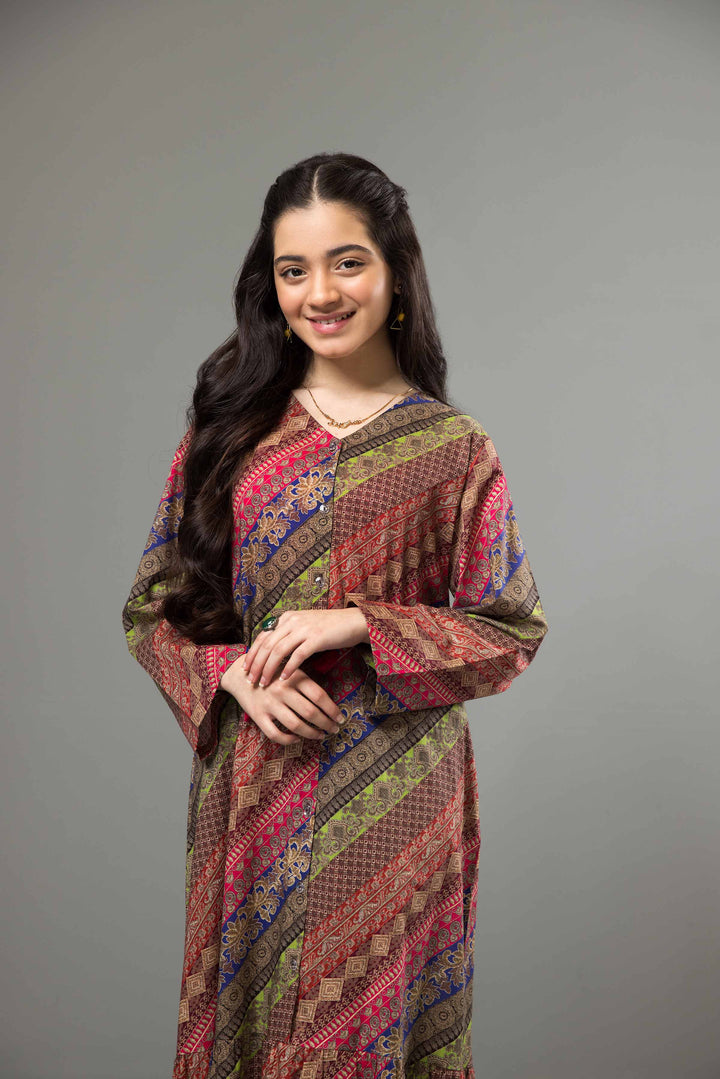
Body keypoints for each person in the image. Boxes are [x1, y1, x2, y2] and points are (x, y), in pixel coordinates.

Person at [121, 151, 549, 1079]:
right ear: (271, 284)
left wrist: (361, 624)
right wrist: (231, 675)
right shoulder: (230, 432)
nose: (320, 292)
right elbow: (152, 608)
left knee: (366, 1040)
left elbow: (511, 630)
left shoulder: (454, 449)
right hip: (255, 789)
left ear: (395, 271)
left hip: (396, 809)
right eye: (294, 269)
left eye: (347, 262)